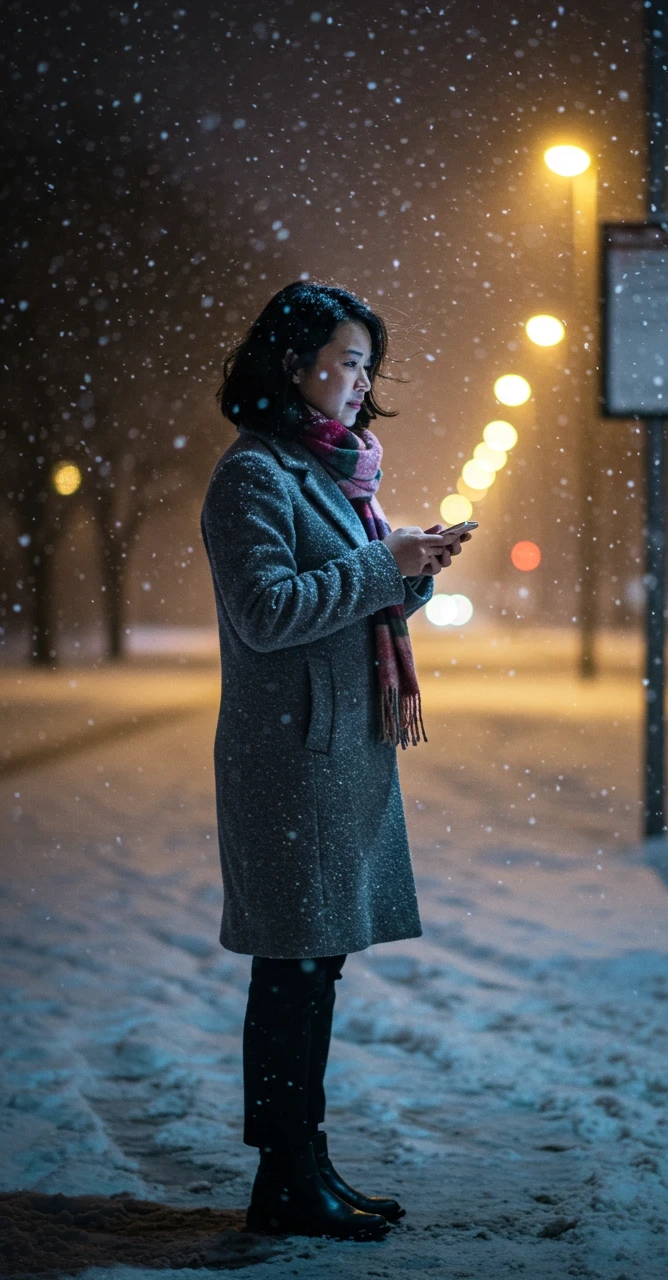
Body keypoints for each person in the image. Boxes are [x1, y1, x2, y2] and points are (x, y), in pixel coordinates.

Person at [201, 280, 472, 1240]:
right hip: (291, 760)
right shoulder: (255, 477)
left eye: (368, 366)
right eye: (348, 361)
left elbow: (362, 603)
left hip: (335, 755)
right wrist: (382, 563)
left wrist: (414, 568)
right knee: (292, 969)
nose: (361, 383)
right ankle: (283, 1182)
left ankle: (307, 1166)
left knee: (317, 968)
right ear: (292, 362)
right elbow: (268, 612)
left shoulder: (335, 475)